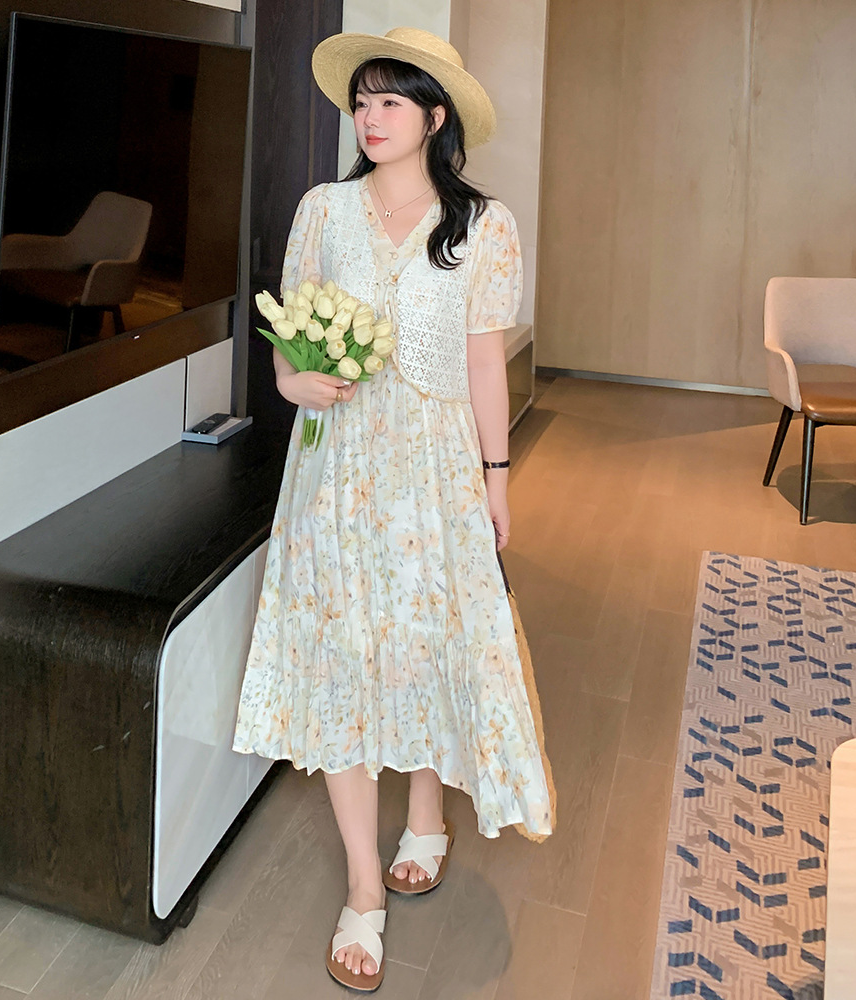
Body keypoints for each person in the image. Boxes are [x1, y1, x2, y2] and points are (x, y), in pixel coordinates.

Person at [232, 26, 553, 993]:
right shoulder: (323, 211)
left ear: (434, 117)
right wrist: (289, 384)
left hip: (434, 470)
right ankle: (363, 891)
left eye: (391, 102)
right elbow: (288, 331)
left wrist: (498, 476)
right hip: (336, 469)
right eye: (362, 102)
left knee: (420, 641)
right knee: (344, 653)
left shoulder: (481, 225)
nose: (370, 119)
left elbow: (483, 361)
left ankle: (425, 815)